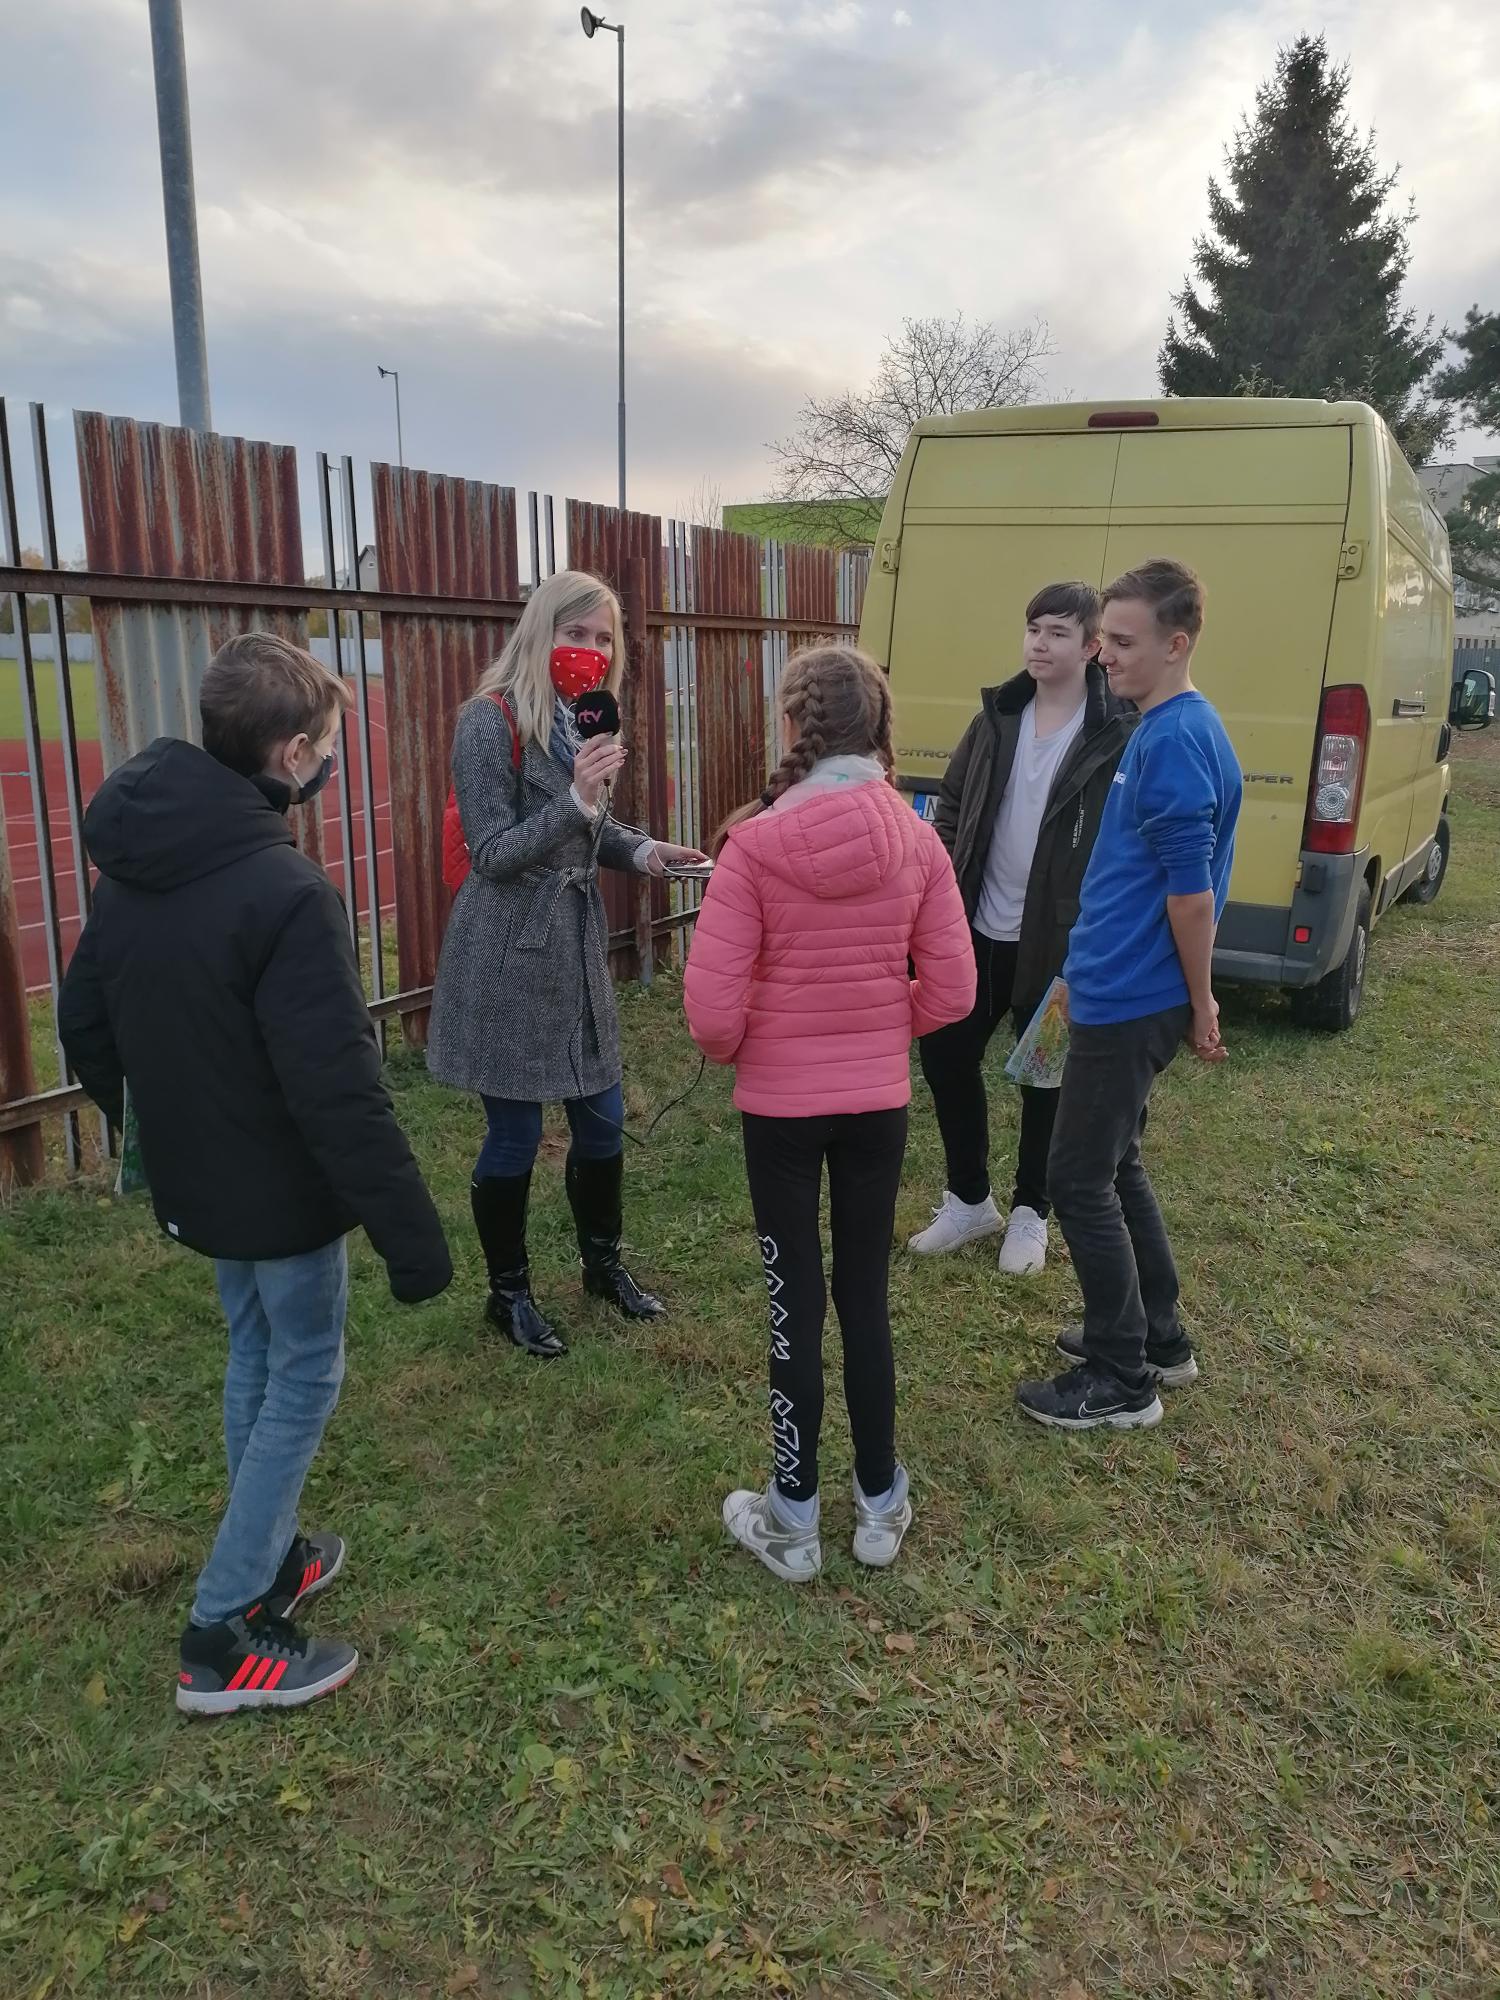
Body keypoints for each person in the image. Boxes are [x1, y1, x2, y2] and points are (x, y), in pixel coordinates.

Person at [58, 632, 453, 1716]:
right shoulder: (287, 893)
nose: (329, 761)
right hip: (277, 1196)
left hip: (205, 1182)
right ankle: (222, 1630)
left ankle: (268, 1550)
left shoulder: (138, 866)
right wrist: (413, 1239)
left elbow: (85, 1020)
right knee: (304, 1370)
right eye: (325, 744)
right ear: (291, 754)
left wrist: (163, 1125)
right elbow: (339, 1089)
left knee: (254, 1353)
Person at [683, 644, 975, 1581]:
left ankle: (794, 1516)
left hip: (781, 1111)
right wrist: (881, 1028)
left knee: (792, 1301)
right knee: (864, 1296)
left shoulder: (754, 846)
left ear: (790, 727)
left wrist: (766, 1041)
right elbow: (954, 990)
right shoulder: (919, 840)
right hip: (876, 1105)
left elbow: (711, 1018)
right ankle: (879, 1501)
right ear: (880, 728)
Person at [426, 570, 706, 1360]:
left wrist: (644, 851)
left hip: (573, 949)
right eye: (574, 633)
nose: (589, 650)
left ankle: (602, 1267)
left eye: (603, 638)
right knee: (516, 1133)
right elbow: (492, 852)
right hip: (506, 948)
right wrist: (578, 801)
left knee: (603, 1118)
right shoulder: (487, 721)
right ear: (540, 632)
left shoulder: (586, 719)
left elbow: (588, 828)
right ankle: (508, 1294)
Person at [1016, 559, 1242, 1431]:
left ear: (1175, 644)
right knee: (1115, 1164)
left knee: (1077, 1179)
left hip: (1130, 996)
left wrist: (1202, 1001)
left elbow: (1192, 895)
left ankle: (1120, 1377)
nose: (1104, 654)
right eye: (1103, 638)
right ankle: (1159, 1336)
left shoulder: (1177, 738)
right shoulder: (1160, 726)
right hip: (1113, 982)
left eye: (1121, 640)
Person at [910, 581, 1134, 1274]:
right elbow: (951, 803)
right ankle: (969, 1201)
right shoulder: (997, 716)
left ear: (1092, 647)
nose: (1040, 643)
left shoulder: (1115, 732)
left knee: (1046, 1075)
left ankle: (1032, 1213)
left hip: (1062, 939)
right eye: (1034, 629)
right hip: (977, 925)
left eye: (1058, 633)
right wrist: (945, 878)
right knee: (946, 1054)